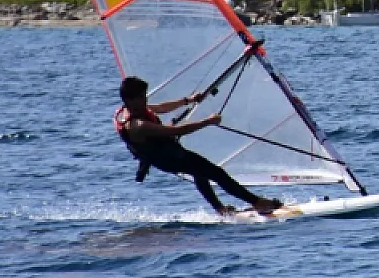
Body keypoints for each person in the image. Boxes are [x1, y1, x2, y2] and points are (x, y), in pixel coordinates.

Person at [114, 76, 283, 216]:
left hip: (167, 152)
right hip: (168, 158)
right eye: (141, 98)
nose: (145, 101)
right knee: (215, 173)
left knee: (200, 173)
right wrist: (208, 121)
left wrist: (188, 100)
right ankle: (257, 202)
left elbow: (160, 108)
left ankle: (220, 210)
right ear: (129, 100)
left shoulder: (132, 109)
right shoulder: (136, 125)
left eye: (145, 96)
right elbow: (181, 130)